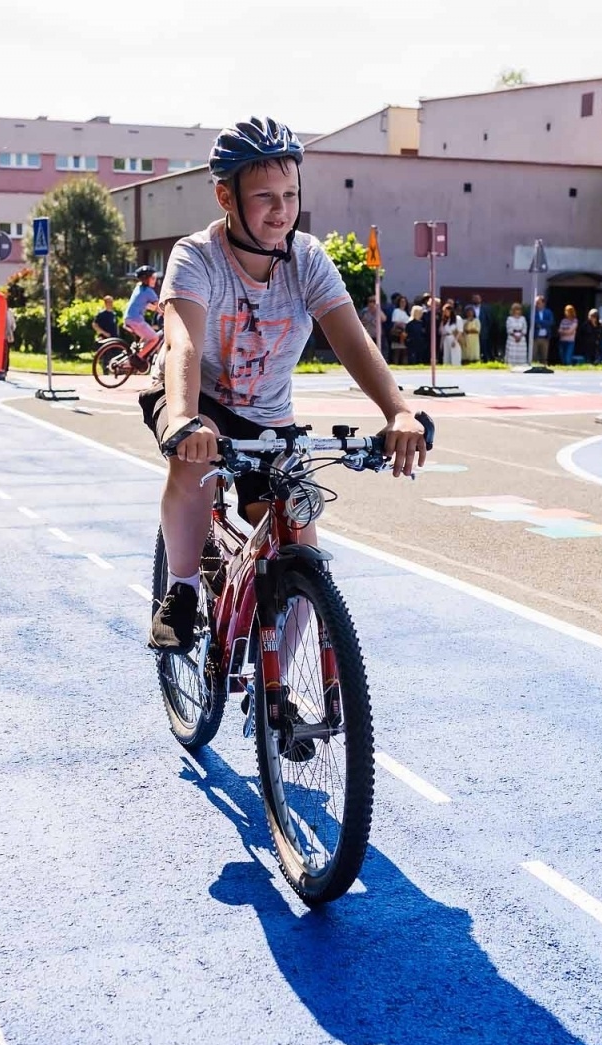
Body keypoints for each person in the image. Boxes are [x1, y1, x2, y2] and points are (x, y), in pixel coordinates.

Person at [141, 116, 427, 650]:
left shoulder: (307, 259)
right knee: (195, 457)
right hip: (194, 397)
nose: (281, 210)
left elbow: (352, 340)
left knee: (299, 537)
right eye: (265, 197)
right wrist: (181, 418)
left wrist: (399, 411)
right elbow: (183, 343)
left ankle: (279, 689)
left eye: (291, 195)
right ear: (225, 197)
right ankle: (181, 590)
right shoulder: (196, 257)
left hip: (267, 414)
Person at [124, 265, 162, 354]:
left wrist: (157, 310)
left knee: (146, 336)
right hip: (136, 320)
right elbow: (159, 306)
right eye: (153, 278)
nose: (155, 280)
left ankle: (136, 354)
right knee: (154, 338)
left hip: (128, 318)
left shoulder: (139, 288)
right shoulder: (148, 291)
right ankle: (138, 358)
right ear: (146, 279)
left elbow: (149, 306)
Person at [531, 296, 555, 365]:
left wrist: (541, 323)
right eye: (536, 303)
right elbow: (533, 321)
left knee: (544, 356)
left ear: (543, 303)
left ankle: (544, 368)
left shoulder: (548, 312)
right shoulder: (533, 312)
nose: (536, 304)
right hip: (535, 337)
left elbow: (551, 322)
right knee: (533, 355)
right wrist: (544, 323)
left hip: (545, 338)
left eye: (538, 303)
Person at [404, 303, 429, 367]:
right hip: (412, 344)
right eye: (420, 312)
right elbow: (405, 334)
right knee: (412, 359)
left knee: (420, 359)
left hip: (421, 344)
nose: (422, 314)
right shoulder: (410, 323)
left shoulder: (422, 323)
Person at [504, 302, 529, 367]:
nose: (518, 311)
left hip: (521, 338)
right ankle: (511, 365)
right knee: (512, 353)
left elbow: (525, 328)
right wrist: (515, 336)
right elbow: (509, 329)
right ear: (513, 310)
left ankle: (521, 365)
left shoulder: (523, 318)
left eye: (519, 309)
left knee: (521, 354)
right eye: (516, 309)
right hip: (512, 338)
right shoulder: (509, 319)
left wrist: (520, 336)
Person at [440, 301, 463, 366]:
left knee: (455, 355)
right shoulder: (445, 320)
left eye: (446, 311)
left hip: (454, 338)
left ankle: (456, 365)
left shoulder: (457, 318)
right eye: (444, 311)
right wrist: (441, 344)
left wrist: (455, 340)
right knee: (446, 356)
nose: (445, 313)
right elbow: (442, 332)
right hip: (446, 339)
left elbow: (460, 331)